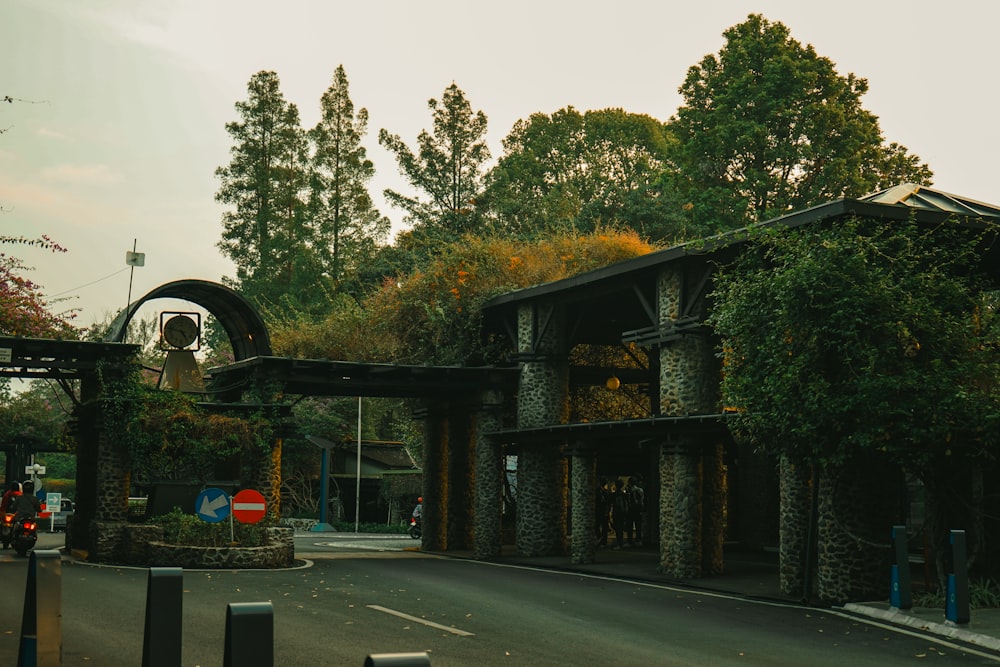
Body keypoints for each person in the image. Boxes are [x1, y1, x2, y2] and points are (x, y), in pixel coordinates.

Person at [611, 478, 630, 550]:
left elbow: (610, 504)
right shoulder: (624, 495)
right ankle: (621, 542)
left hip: (616, 512)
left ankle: (619, 543)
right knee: (621, 528)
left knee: (617, 528)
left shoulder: (613, 495)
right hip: (623, 513)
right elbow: (627, 504)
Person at [627, 474, 645, 547]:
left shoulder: (631, 490)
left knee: (630, 526)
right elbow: (641, 501)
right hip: (638, 510)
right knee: (638, 526)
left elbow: (633, 501)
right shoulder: (640, 490)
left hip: (632, 510)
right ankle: (638, 540)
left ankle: (630, 541)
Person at [595, 477, 611, 547]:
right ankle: (603, 541)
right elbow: (608, 503)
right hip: (605, 511)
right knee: (604, 527)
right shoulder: (606, 492)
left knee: (597, 525)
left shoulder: (597, 491)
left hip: (598, 511)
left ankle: (600, 537)